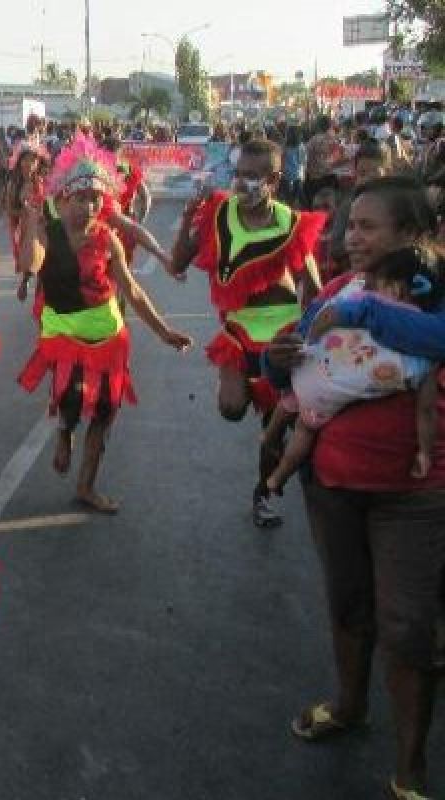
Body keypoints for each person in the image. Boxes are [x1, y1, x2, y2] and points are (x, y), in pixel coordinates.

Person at [264, 176, 445, 800]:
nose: (351, 237)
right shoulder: (338, 289)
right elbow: (294, 357)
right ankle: (348, 705)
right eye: (349, 225)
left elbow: (434, 341)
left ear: (410, 234)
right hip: (335, 481)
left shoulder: (432, 294)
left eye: (368, 226)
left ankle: (412, 764)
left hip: (417, 491)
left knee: (410, 627)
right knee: (348, 605)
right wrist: (276, 356)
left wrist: (364, 312)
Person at [15, 135, 192, 513]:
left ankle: (86, 486)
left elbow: (131, 291)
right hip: (62, 332)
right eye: (82, 198)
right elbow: (30, 265)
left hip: (108, 335)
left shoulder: (108, 238)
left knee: (106, 412)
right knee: (72, 397)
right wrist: (30, 224)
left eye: (96, 198)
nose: (91, 205)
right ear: (64, 199)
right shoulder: (48, 229)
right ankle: (64, 431)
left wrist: (164, 332)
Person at [170, 138, 325, 528]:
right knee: (232, 409)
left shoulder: (291, 222)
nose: (242, 184)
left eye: (253, 177)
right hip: (239, 334)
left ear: (273, 179)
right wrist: (189, 218)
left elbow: (314, 285)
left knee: (274, 430)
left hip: (285, 339)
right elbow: (178, 261)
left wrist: (315, 330)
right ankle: (233, 386)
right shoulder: (220, 213)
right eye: (238, 175)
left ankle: (264, 493)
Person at [265, 246, 440, 493]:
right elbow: (426, 411)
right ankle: (280, 474)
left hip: (310, 375)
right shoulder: (424, 346)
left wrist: (310, 340)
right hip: (325, 404)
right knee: (306, 428)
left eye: (366, 226)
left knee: (292, 403)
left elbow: (316, 323)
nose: (352, 239)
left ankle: (270, 441)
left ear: (392, 286)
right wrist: (424, 452)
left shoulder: (356, 293)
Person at [326, 140, 391, 278]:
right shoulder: (349, 206)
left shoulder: (395, 206)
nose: (368, 180)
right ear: (355, 173)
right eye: (362, 174)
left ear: (388, 172)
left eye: (375, 175)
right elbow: (335, 246)